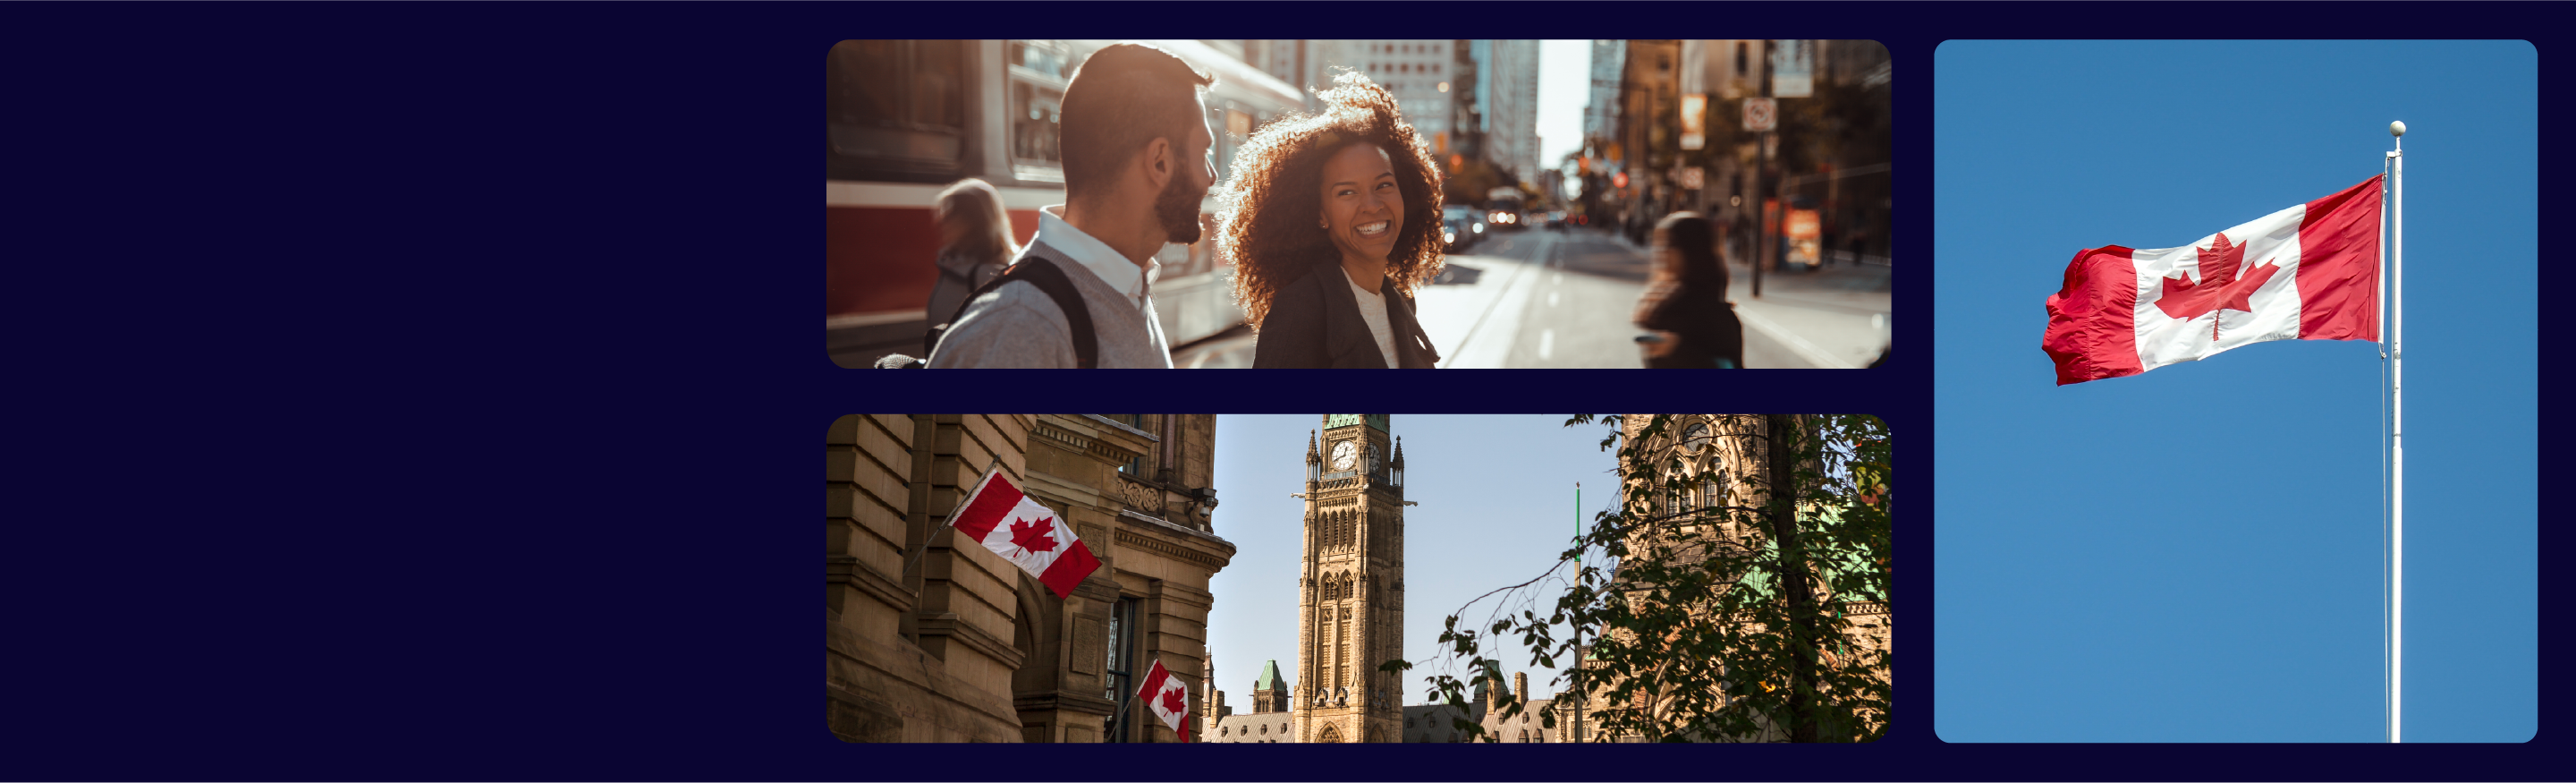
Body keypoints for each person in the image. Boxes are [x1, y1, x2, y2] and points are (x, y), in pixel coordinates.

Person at [926, 43, 1216, 368]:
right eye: (1204, 153)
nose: (1212, 177)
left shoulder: (1126, 290)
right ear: (1160, 162)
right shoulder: (1020, 331)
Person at [1217, 72, 1444, 369]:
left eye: (1384, 185)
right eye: (1347, 192)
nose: (1372, 205)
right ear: (1320, 214)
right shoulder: (1299, 311)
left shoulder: (1400, 301)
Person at [1633, 212, 1745, 369]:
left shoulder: (1714, 314)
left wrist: (1677, 351)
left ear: (1691, 249)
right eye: (1659, 243)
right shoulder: (1671, 300)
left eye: (1670, 243)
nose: (1661, 251)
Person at [925, 178, 1017, 326]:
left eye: (952, 213)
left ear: (974, 220)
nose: (942, 220)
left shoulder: (990, 274)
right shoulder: (951, 263)